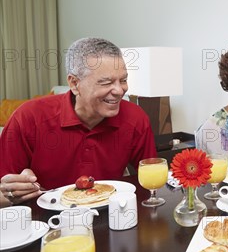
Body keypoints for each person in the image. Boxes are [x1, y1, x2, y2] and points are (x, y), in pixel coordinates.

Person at [0, 38, 157, 207]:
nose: (119, 91)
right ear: (74, 83)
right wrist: (11, 194)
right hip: (46, 222)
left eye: (123, 80)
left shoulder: (136, 118)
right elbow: (3, 193)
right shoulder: (27, 118)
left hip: (111, 217)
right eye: (106, 82)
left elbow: (153, 180)